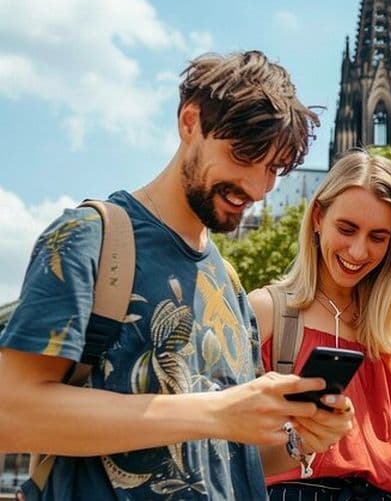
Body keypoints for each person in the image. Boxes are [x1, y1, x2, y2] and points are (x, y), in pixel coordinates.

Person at [0, 51, 355, 500]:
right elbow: (10, 414)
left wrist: (299, 438)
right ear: (190, 122)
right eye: (243, 155)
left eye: (273, 169)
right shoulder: (90, 237)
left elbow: (221, 453)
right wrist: (216, 411)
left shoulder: (228, 280)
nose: (258, 187)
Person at [249, 150, 391, 500]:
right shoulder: (268, 311)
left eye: (378, 237)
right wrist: (298, 441)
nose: (359, 251)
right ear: (318, 217)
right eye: (346, 229)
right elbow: (228, 456)